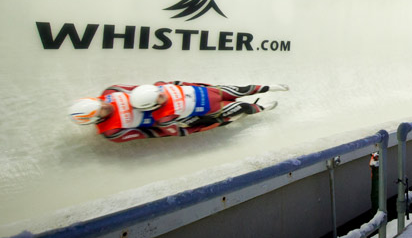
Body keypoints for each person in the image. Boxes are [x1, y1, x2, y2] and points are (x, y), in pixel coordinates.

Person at [69, 81, 289, 142]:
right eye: (101, 111)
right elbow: (148, 133)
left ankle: (271, 87)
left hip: (203, 93)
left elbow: (144, 88)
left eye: (101, 104)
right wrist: (183, 130)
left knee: (241, 89)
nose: (106, 106)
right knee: (240, 106)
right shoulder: (112, 132)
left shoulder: (112, 91)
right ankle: (261, 108)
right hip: (197, 111)